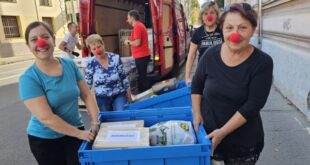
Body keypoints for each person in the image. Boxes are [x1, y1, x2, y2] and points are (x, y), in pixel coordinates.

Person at [191, 3, 273, 165]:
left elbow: (253, 105)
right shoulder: (209, 55)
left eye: (243, 28)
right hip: (209, 138)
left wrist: (222, 133)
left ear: (253, 29)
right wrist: (196, 114)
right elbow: (197, 84)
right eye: (229, 28)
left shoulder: (262, 63)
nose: (235, 34)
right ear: (222, 28)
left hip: (242, 144)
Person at [19, 21, 99, 165]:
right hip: (45, 140)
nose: (41, 42)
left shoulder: (69, 65)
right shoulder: (29, 78)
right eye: (34, 40)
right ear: (28, 46)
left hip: (75, 131)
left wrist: (94, 121)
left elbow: (87, 95)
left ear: (53, 39)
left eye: (45, 36)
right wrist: (79, 133)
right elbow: (47, 118)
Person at [84, 34, 131, 112]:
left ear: (103, 44)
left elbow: (123, 77)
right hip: (102, 98)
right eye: (94, 49)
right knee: (108, 120)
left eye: (99, 47)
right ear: (91, 50)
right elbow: (87, 84)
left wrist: (129, 95)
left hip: (118, 94)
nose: (97, 50)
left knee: (121, 116)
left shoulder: (115, 58)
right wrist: (88, 104)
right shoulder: (90, 63)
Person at [185, 1, 223, 85]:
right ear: (202, 17)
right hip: (203, 73)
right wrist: (187, 77)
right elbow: (191, 55)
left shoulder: (223, 30)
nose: (209, 16)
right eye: (205, 14)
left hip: (221, 73)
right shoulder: (197, 32)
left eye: (212, 13)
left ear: (216, 15)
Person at [125, 9, 151, 92]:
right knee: (142, 76)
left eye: (128, 18)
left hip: (141, 56)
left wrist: (128, 42)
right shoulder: (140, 26)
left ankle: (145, 94)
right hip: (142, 55)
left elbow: (137, 43)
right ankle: (145, 93)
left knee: (142, 77)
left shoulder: (137, 27)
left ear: (132, 17)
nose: (127, 20)